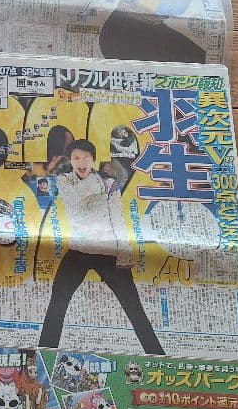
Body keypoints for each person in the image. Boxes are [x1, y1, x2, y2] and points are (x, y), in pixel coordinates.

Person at [38, 140, 165, 355]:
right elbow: (76, 210)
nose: (81, 163)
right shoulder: (64, 180)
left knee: (133, 306)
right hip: (78, 251)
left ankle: (156, 354)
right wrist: (103, 188)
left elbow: (117, 219)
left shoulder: (109, 183)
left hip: (109, 250)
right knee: (58, 299)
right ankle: (43, 353)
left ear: (94, 159)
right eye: (76, 158)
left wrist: (124, 251)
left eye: (86, 157)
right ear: (70, 161)